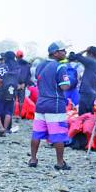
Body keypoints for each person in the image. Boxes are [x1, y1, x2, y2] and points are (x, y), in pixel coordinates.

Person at [29, 42, 72, 170]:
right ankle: (60, 163)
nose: (65, 52)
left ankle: (33, 159)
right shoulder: (60, 67)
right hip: (55, 104)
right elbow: (64, 86)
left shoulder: (40, 66)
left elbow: (38, 81)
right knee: (58, 134)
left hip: (40, 103)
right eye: (63, 50)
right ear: (55, 53)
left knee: (37, 133)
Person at [0, 51, 20, 136]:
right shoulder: (17, 68)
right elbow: (20, 82)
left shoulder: (1, 68)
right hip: (12, 92)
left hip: (1, 92)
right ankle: (5, 130)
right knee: (8, 112)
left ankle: (1, 128)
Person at [69, 46, 96, 115]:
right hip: (93, 93)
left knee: (82, 115)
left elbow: (76, 56)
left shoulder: (90, 62)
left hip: (86, 92)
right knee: (89, 114)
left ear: (90, 54)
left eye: (87, 54)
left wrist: (85, 50)